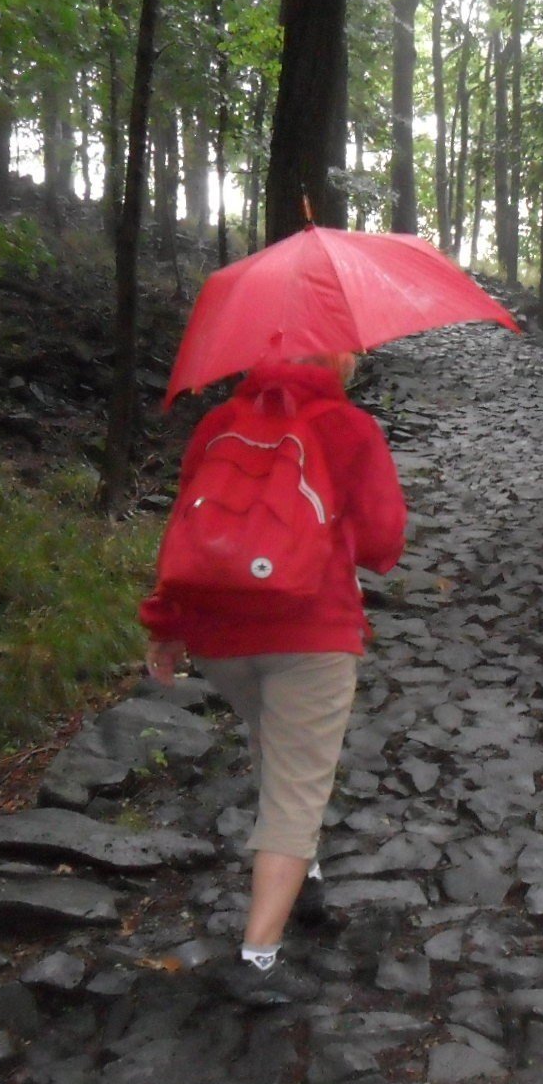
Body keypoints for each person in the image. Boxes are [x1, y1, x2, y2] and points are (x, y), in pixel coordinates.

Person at [140, 352, 407, 1006]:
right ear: (338, 355)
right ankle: (258, 957)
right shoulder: (347, 427)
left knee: (274, 745)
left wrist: (167, 624)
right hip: (311, 633)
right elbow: (384, 542)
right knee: (297, 788)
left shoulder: (220, 423)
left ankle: (303, 877)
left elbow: (188, 530)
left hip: (222, 638)